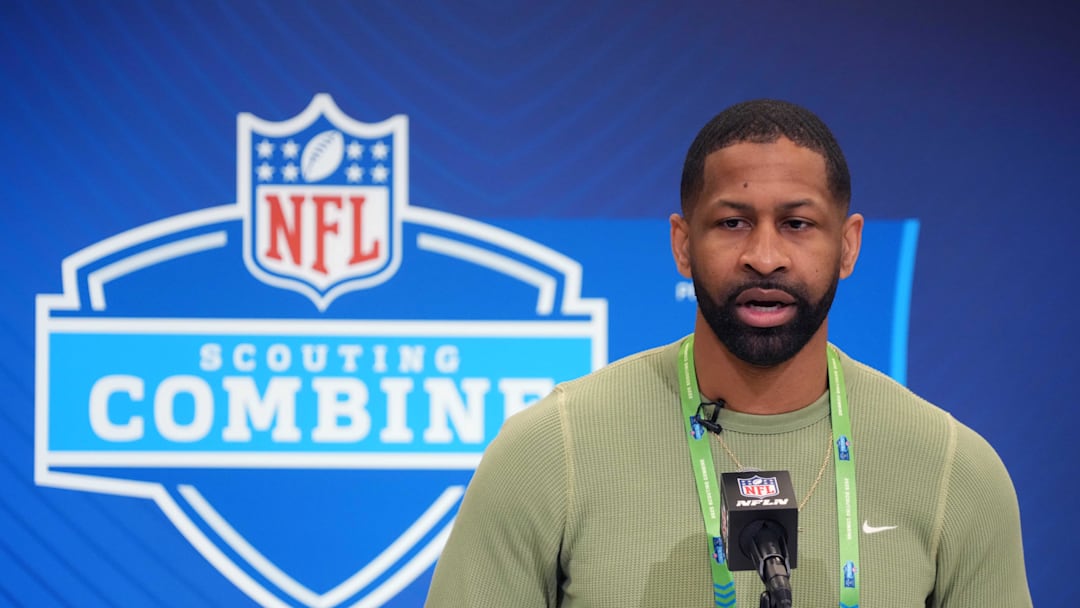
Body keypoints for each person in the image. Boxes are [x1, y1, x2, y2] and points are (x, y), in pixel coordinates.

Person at [425, 99, 1031, 607]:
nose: (765, 257)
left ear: (848, 246)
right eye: (733, 223)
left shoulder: (955, 471)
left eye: (797, 224)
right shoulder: (551, 451)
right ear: (683, 245)